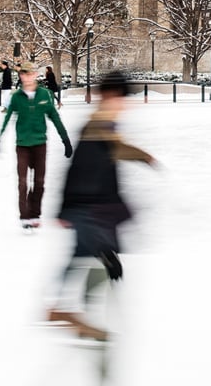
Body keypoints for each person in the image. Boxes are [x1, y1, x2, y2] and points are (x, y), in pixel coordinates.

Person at [47, 70, 157, 341]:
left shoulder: (104, 124)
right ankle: (79, 313)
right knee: (98, 258)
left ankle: (63, 309)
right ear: (109, 96)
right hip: (91, 208)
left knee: (79, 256)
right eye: (122, 98)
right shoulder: (98, 125)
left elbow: (115, 150)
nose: (125, 104)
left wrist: (144, 157)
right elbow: (83, 168)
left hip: (90, 206)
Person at [0, 62, 73, 232]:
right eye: (24, 74)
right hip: (22, 145)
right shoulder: (16, 97)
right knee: (23, 182)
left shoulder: (45, 95)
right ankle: (25, 216)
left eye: (30, 74)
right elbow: (8, 117)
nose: (27, 77)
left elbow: (55, 117)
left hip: (40, 144)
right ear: (21, 76)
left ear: (35, 75)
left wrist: (65, 140)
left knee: (39, 182)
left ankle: (34, 213)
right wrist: (0, 137)